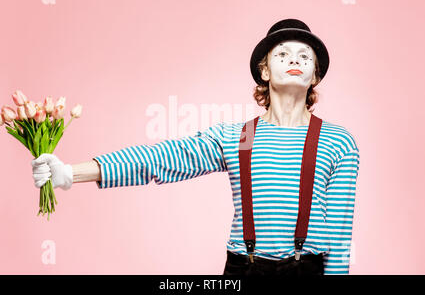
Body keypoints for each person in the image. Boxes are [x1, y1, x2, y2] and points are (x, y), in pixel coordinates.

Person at [31, 19, 360, 275]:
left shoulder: (338, 142)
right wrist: (70, 173)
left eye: (305, 56)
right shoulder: (239, 137)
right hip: (243, 269)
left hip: (308, 270)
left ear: (315, 74)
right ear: (264, 70)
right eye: (283, 54)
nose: (295, 60)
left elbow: (341, 237)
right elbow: (162, 159)